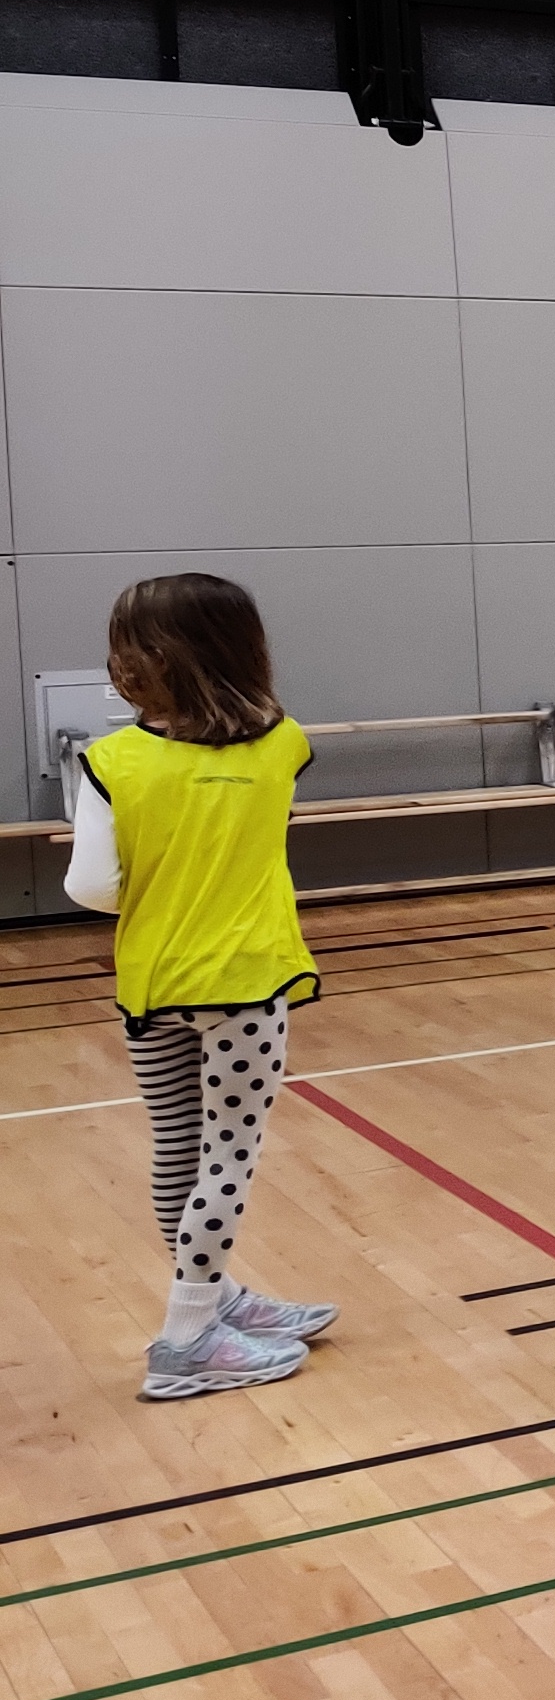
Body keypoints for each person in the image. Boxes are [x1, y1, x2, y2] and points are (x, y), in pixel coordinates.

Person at [63, 573, 340, 1401]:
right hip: (245, 984)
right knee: (228, 1157)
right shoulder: (285, 745)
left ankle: (212, 1299)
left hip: (151, 984)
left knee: (178, 1146)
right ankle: (186, 1338)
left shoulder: (109, 761)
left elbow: (90, 888)